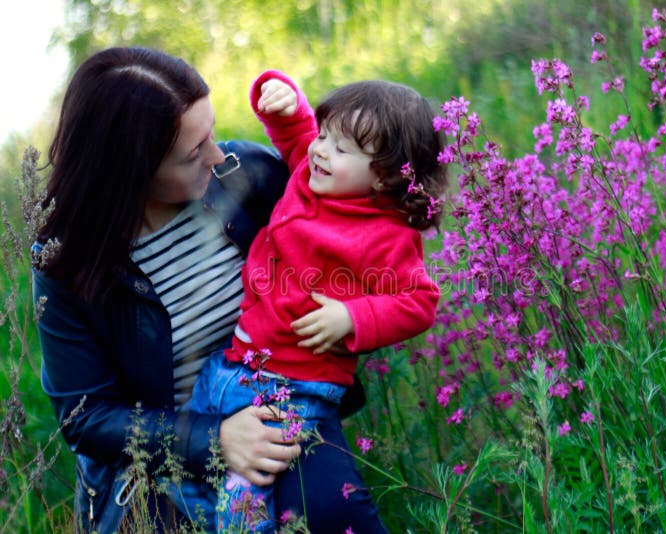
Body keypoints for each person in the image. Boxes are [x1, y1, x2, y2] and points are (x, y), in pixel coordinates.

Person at [32, 47, 307, 533]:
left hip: (282, 429)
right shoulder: (67, 262)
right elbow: (86, 416)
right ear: (129, 172)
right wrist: (214, 440)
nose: (218, 156)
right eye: (192, 153)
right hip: (159, 480)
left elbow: (344, 227)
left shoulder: (247, 175)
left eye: (212, 132)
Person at [189, 70, 447, 531]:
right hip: (234, 367)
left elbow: (419, 300)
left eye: (341, 148)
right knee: (200, 473)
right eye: (325, 135)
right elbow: (298, 134)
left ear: (385, 177)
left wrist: (353, 316)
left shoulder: (386, 234)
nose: (320, 149)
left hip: (296, 388)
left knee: (242, 505)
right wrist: (283, 100)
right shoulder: (312, 175)